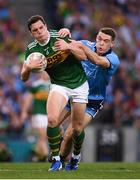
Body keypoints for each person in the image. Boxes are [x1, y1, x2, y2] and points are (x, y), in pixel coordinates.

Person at [20, 15, 89, 171]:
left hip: (79, 85)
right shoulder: (32, 50)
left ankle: (76, 157)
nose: (39, 32)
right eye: (35, 30)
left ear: (45, 26)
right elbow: (23, 78)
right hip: (59, 85)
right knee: (51, 120)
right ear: (32, 33)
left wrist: (68, 47)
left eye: (41, 28)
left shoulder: (60, 36)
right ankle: (56, 160)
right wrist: (28, 68)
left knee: (77, 129)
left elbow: (83, 56)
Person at [54, 27, 120, 170]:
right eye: (99, 39)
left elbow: (96, 60)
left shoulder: (113, 59)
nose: (101, 43)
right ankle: (60, 157)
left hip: (92, 100)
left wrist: (79, 46)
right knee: (53, 123)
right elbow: (65, 43)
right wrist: (65, 33)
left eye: (106, 41)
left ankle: (70, 158)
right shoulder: (85, 44)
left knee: (72, 132)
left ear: (112, 44)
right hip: (75, 93)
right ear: (96, 37)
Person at [21, 71, 50, 162]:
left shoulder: (53, 85)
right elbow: (28, 99)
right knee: (43, 136)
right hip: (39, 113)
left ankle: (37, 156)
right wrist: (24, 111)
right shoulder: (36, 85)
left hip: (49, 114)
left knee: (43, 137)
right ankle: (46, 156)